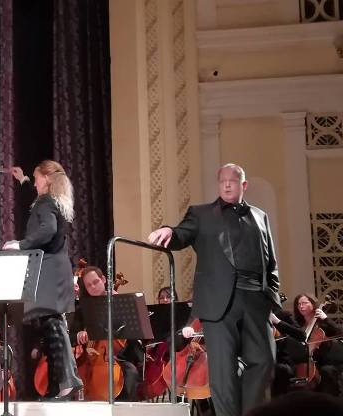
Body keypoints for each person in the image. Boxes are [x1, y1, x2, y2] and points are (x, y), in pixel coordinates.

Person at [148, 163, 280, 416]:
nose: (227, 184)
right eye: (223, 181)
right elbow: (181, 234)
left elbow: (271, 262)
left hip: (255, 299)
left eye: (233, 180)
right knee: (222, 371)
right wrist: (169, 231)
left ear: (244, 185)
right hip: (218, 302)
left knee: (264, 361)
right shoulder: (201, 214)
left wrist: (271, 297)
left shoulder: (260, 216)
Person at [3, 160, 83, 400]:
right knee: (51, 323)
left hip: (49, 269)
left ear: (47, 179)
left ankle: (69, 381)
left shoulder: (46, 202)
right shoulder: (52, 200)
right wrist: (23, 180)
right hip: (55, 268)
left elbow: (47, 230)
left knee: (53, 323)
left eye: (37, 178)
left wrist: (21, 245)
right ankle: (60, 385)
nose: (35, 182)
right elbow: (42, 206)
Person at [70, 265, 141, 401]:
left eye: (96, 282)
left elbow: (132, 337)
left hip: (116, 358)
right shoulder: (83, 308)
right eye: (89, 285)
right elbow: (70, 336)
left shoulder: (120, 303)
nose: (93, 287)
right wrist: (79, 335)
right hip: (88, 359)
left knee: (130, 372)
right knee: (72, 374)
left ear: (103, 279)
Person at [291, 293, 343, 396]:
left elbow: (340, 333)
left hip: (325, 362)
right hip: (306, 362)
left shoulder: (322, 323)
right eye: (299, 304)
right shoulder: (298, 325)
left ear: (313, 304)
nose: (301, 306)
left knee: (326, 371)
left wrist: (326, 319)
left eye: (305, 303)